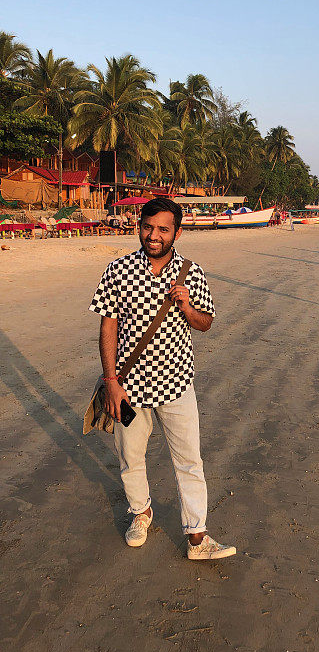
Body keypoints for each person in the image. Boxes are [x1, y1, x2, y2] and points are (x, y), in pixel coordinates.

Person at [89, 197, 236, 561]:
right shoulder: (118, 270)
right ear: (140, 226)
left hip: (177, 385)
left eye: (163, 229)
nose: (154, 235)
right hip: (129, 388)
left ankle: (198, 538)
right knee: (129, 456)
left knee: (189, 461)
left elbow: (206, 323)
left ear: (177, 233)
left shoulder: (192, 272)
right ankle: (141, 513)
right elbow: (108, 327)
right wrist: (111, 381)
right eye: (148, 227)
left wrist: (187, 307)